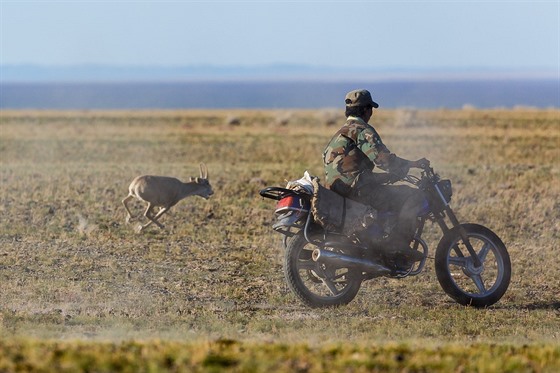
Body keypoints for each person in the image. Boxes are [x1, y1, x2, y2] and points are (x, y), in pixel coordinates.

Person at [322, 89, 429, 264]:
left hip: (339, 191)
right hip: (358, 190)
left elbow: (354, 170)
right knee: (413, 196)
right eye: (370, 109)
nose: (371, 113)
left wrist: (388, 177)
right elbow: (384, 161)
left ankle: (378, 241)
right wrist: (412, 164)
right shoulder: (362, 130)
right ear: (366, 110)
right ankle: (399, 244)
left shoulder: (339, 133)